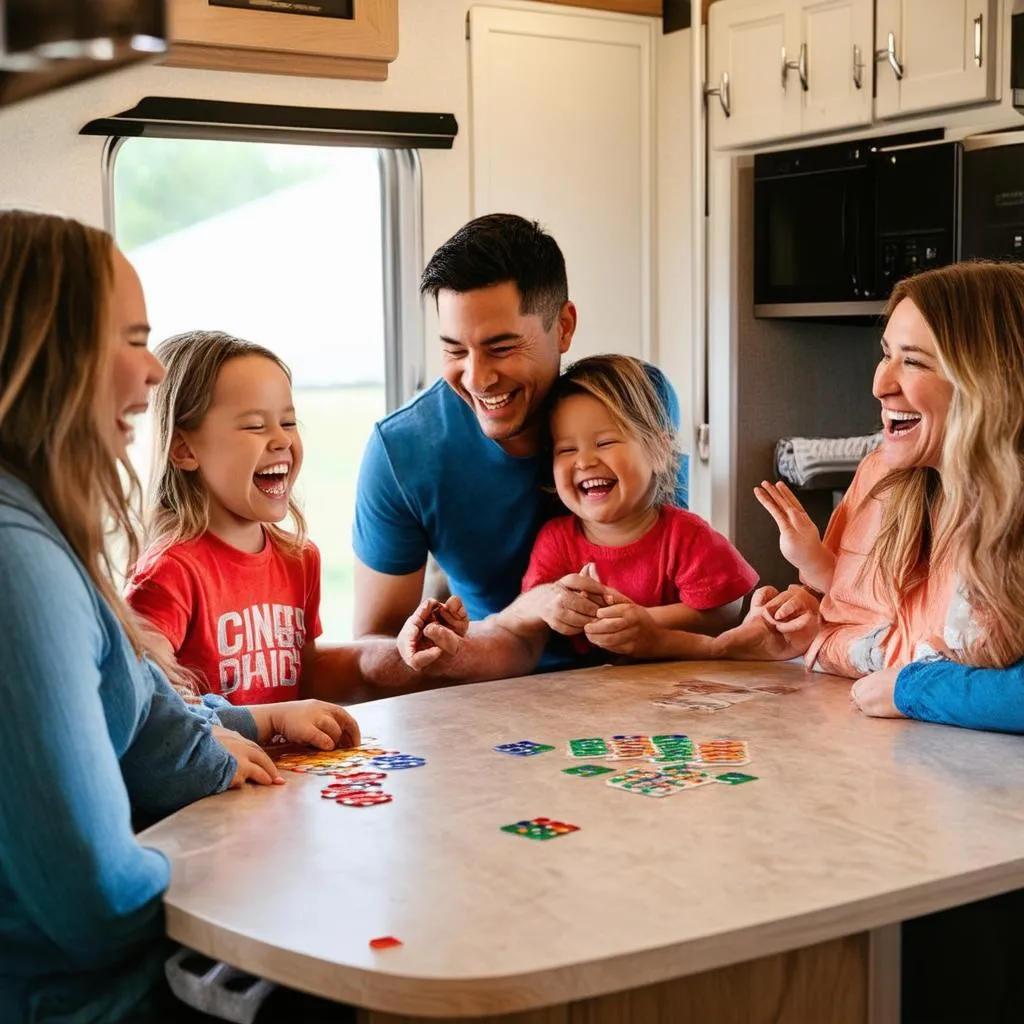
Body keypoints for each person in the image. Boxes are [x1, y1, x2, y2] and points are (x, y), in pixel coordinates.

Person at [0, 209, 359, 1023]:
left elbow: (122, 712)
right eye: (131, 339)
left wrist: (252, 722)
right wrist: (232, 875)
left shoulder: (38, 523)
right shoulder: (16, 562)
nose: (155, 371)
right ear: (52, 354)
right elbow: (89, 900)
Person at [351, 213, 688, 681]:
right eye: (454, 350)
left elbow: (679, 566)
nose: (477, 378)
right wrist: (435, 646)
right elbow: (375, 646)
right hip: (494, 681)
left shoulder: (638, 400)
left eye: (502, 347)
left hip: (640, 673)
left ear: (564, 327)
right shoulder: (401, 451)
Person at [751, 261, 1024, 732]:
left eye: (913, 361)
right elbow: (864, 631)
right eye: (886, 355)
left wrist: (912, 689)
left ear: (988, 380)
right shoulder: (894, 478)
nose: (880, 385)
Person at [398, 355, 755, 670]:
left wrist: (646, 624)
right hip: (586, 701)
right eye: (566, 450)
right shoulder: (557, 541)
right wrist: (466, 637)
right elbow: (530, 620)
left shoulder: (686, 535)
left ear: (660, 451)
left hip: (682, 690)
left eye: (605, 443)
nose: (584, 461)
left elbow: (725, 609)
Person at [127, 331, 357, 706]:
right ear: (184, 448)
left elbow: (309, 681)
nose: (281, 440)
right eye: (255, 426)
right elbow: (151, 708)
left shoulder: (301, 560)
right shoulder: (169, 573)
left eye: (289, 422)